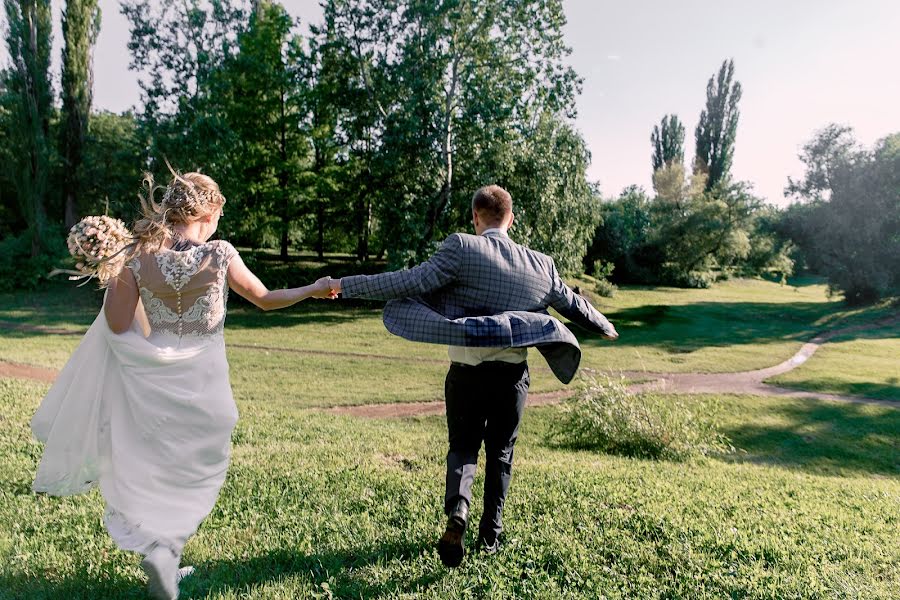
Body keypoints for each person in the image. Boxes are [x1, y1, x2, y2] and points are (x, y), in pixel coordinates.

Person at [31, 169, 334, 600]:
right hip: (204, 380)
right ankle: (167, 552)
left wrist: (116, 278)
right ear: (208, 213)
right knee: (192, 471)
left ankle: (160, 548)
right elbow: (265, 299)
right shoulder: (221, 254)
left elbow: (117, 325)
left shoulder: (137, 257)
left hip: (151, 378)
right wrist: (316, 288)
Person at [329, 184, 618, 567]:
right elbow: (573, 303)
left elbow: (407, 281)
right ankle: (491, 536)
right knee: (501, 452)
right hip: (511, 377)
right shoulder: (540, 264)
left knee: (463, 447)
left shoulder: (462, 247)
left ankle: (458, 511)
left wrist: (342, 285)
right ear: (510, 219)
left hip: (465, 373)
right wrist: (605, 325)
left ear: (476, 217)